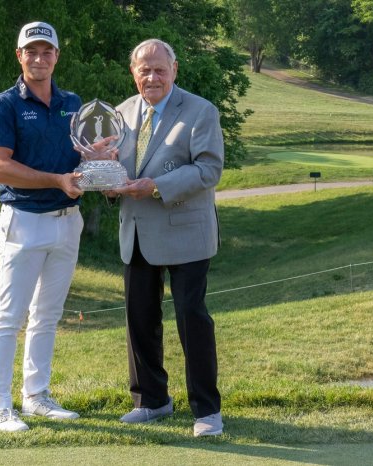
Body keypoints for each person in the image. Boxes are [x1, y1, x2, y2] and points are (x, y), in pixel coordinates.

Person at [108, 38, 225, 437]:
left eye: (160, 69)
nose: (152, 77)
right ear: (133, 73)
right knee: (139, 318)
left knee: (192, 319)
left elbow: (209, 169)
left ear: (174, 70)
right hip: (137, 232)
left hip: (186, 232)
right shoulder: (120, 114)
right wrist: (105, 179)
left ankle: (207, 411)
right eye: (145, 70)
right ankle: (152, 400)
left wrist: (156, 185)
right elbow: (115, 169)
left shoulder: (200, 111)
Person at [0, 21, 85, 432]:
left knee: (47, 315)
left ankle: (37, 396)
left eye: (47, 52)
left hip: (66, 222)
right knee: (9, 315)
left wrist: (102, 169)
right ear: (19, 55)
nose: (39, 59)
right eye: (32, 51)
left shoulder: (73, 102)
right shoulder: (4, 104)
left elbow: (83, 158)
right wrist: (57, 180)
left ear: (57, 56)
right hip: (23, 221)